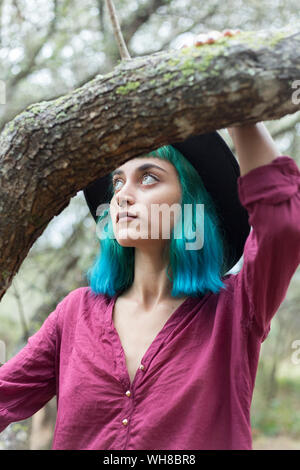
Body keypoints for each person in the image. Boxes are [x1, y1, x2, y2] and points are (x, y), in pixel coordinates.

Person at [1, 31, 300, 450]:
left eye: (148, 177)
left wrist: (236, 99)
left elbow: (282, 226)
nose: (121, 194)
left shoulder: (237, 309)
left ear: (191, 203)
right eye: (118, 180)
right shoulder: (74, 315)